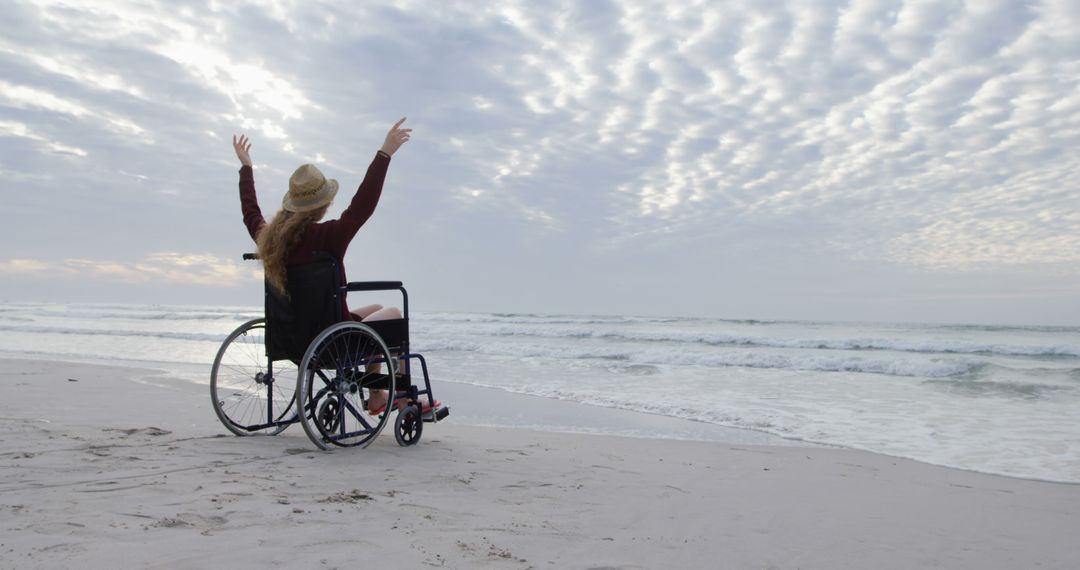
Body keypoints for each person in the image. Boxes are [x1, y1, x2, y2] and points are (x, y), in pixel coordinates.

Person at [232, 118, 435, 415]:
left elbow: (250, 213)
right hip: (330, 341)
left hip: (292, 340)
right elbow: (362, 205)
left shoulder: (270, 242)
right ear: (322, 205)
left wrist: (246, 168)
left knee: (375, 306)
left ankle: (377, 393)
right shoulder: (328, 237)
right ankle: (401, 397)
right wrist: (385, 154)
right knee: (393, 313)